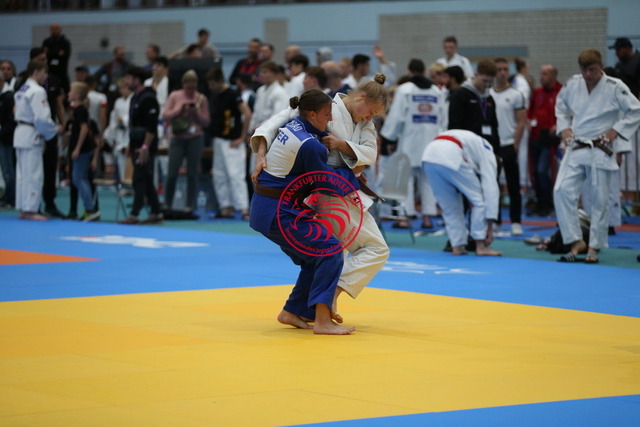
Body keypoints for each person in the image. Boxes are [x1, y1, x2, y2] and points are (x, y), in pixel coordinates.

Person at [251, 74, 390, 319]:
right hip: (326, 189)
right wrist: (261, 154)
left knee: (333, 250)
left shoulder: (365, 124)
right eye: (371, 111)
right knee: (367, 249)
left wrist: (341, 145)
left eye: (375, 115)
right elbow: (274, 124)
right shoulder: (325, 106)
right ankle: (326, 300)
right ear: (361, 97)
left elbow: (370, 154)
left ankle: (311, 306)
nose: (371, 117)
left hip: (336, 185)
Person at [250, 89, 356, 335]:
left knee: (314, 256)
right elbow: (328, 183)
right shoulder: (309, 145)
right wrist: (353, 172)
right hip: (278, 212)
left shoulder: (293, 125)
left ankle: (292, 311)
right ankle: (322, 321)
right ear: (312, 113)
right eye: (327, 114)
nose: (330, 119)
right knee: (330, 250)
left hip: (267, 208)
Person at [554, 48, 640, 263]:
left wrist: (616, 131)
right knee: (561, 190)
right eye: (584, 70)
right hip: (576, 145)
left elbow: (636, 110)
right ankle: (576, 240)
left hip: (600, 149)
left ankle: (594, 245)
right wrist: (564, 128)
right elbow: (561, 105)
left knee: (599, 200)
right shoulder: (573, 83)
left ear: (600, 66)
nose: (587, 74)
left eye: (592, 70)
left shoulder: (614, 86)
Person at [381, 58, 447, 229]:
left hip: (409, 141)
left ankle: (405, 217)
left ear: (409, 72)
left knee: (406, 180)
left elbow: (397, 116)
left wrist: (388, 137)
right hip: (431, 142)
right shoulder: (436, 91)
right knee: (428, 180)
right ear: (424, 72)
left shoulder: (405, 90)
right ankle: (427, 218)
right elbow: (442, 119)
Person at [422, 130, 502, 256]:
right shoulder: (488, 153)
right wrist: (490, 229)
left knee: (449, 206)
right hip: (450, 153)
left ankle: (457, 246)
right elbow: (491, 190)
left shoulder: (472, 144)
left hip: (429, 155)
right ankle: (480, 246)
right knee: (479, 201)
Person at [13, 59, 61, 220]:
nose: (45, 77)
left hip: (21, 132)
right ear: (37, 72)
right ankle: (31, 210)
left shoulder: (22, 89)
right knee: (33, 174)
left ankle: (23, 207)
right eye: (44, 73)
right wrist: (52, 132)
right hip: (32, 134)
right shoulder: (37, 91)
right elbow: (41, 118)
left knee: (22, 174)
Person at [119, 67, 163, 225]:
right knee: (147, 178)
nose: (127, 81)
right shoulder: (134, 98)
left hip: (145, 144)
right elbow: (133, 124)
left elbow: (151, 126)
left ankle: (134, 213)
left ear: (137, 79)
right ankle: (156, 212)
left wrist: (145, 147)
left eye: (129, 78)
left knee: (139, 178)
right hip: (136, 142)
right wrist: (130, 146)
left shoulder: (148, 98)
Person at [161, 70, 210, 212]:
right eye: (188, 87)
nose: (190, 90)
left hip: (195, 138)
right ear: (183, 84)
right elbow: (165, 115)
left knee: (193, 173)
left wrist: (196, 113)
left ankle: (190, 205)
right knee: (172, 173)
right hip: (177, 139)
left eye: (193, 87)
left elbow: (206, 122)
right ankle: (167, 204)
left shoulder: (201, 98)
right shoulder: (175, 96)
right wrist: (179, 110)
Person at [207, 68, 251, 220]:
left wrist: (242, 137)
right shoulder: (214, 96)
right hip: (218, 139)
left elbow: (247, 113)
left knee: (235, 175)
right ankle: (226, 207)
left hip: (233, 141)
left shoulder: (233, 94)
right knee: (219, 175)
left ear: (220, 81)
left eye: (213, 84)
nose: (211, 87)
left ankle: (244, 208)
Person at [490, 57, 526, 235]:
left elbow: (521, 121)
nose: (502, 73)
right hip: (492, 145)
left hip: (509, 144)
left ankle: (516, 221)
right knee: (492, 185)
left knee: (513, 185)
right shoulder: (488, 94)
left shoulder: (516, 94)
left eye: (505, 69)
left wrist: (515, 143)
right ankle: (495, 221)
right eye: (499, 69)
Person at [528, 64, 562, 217]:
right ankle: (540, 203)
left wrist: (559, 125)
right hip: (535, 136)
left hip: (550, 138)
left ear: (554, 75)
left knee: (543, 171)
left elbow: (568, 112)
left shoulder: (561, 92)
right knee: (535, 172)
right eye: (541, 73)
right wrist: (528, 121)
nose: (542, 77)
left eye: (546, 74)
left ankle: (548, 203)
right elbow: (531, 111)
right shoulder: (537, 92)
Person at [448, 59, 500, 151]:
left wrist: (496, 150)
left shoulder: (489, 98)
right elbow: (454, 125)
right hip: (467, 146)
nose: (487, 84)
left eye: (490, 82)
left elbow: (494, 126)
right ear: (476, 74)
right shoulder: (460, 95)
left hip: (486, 146)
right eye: (484, 81)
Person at [67, 81, 100, 222]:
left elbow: (84, 129)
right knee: (80, 178)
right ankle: (89, 208)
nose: (68, 94)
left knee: (78, 179)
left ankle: (90, 209)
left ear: (77, 95)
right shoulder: (77, 110)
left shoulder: (81, 110)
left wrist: (77, 148)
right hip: (82, 149)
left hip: (83, 149)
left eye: (71, 91)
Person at [103, 77, 131, 181]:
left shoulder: (133, 99)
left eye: (123, 88)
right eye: (120, 88)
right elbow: (113, 119)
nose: (121, 91)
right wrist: (110, 135)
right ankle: (123, 184)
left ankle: (130, 184)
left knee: (130, 164)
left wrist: (123, 119)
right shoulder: (118, 101)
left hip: (129, 134)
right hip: (119, 135)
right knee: (120, 163)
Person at [0, 73, 16, 209]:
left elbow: (12, 120)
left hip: (7, 139)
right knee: (5, 169)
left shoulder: (9, 96)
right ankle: (8, 196)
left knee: (8, 169)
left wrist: (2, 133)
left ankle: (12, 197)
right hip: (4, 137)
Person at [41, 22, 71, 93]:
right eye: (52, 29)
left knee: (66, 90)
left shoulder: (65, 42)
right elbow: (44, 55)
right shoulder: (46, 42)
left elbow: (65, 57)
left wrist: (51, 54)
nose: (54, 31)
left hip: (62, 72)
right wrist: (57, 54)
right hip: (50, 72)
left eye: (56, 29)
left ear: (60, 30)